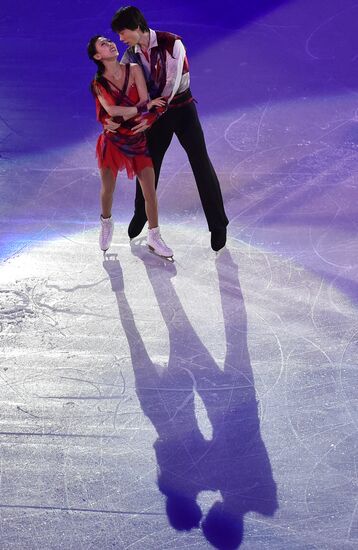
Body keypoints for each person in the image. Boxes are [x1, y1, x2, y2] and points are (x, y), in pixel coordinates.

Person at [110, 6, 229, 252]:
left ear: (136, 27)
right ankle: (141, 214)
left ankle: (218, 224)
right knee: (147, 167)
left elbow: (172, 85)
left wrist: (151, 114)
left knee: (200, 163)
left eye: (122, 33)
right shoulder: (130, 54)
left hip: (182, 110)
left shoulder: (172, 43)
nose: (120, 39)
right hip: (156, 117)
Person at [87, 35, 173, 258]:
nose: (111, 44)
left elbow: (145, 99)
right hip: (113, 140)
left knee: (149, 190)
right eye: (104, 44)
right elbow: (112, 110)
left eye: (109, 41)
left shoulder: (134, 69)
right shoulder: (99, 83)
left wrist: (126, 116)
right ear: (98, 56)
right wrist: (131, 113)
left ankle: (154, 235)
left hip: (136, 136)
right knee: (108, 189)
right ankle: (106, 222)